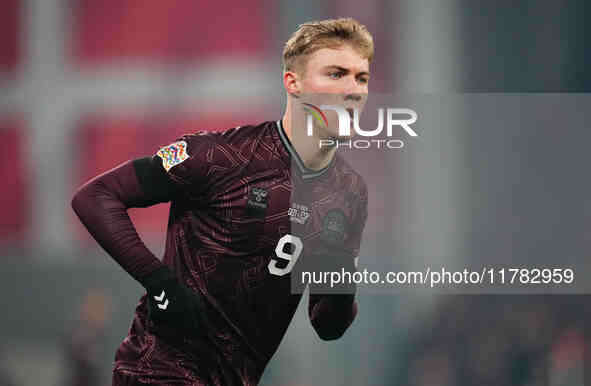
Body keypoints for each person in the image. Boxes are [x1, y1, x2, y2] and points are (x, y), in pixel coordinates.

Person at [72, 17, 372, 386]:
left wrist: (342, 285)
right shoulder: (221, 156)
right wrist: (161, 282)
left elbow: (327, 324)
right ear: (293, 83)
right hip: (159, 372)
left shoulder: (349, 193)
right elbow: (95, 197)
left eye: (361, 78)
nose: (353, 90)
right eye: (336, 74)